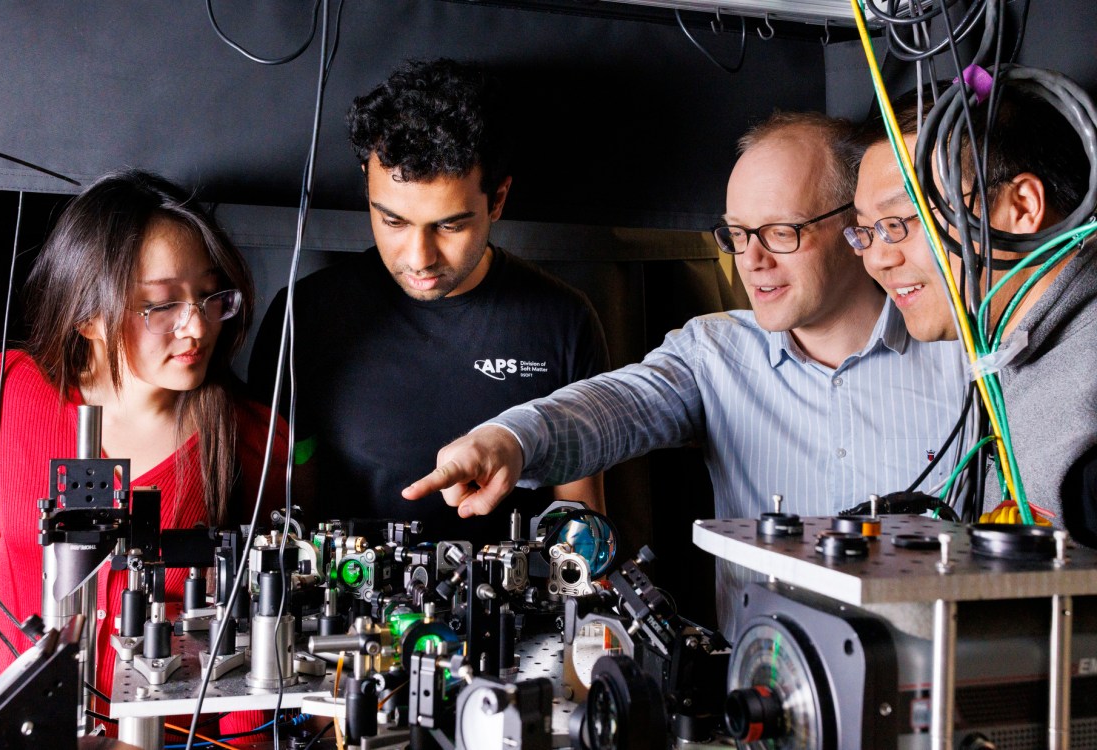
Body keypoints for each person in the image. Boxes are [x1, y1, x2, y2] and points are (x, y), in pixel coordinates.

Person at [404, 111, 969, 634]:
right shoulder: (715, 352)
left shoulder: (967, 364)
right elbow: (615, 406)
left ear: (856, 230)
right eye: (739, 234)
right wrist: (509, 439)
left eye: (781, 232)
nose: (753, 260)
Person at [0, 170, 288, 733]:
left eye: (208, 296)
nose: (197, 326)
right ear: (88, 315)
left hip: (162, 734)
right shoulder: (12, 387)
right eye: (162, 304)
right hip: (0, 717)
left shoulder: (255, 438)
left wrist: (239, 742)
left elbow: (259, 608)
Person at [248, 58, 609, 545]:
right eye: (393, 222)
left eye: (449, 225)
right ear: (367, 185)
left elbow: (581, 529)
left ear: (497, 199)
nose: (418, 258)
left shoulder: (564, 321)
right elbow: (282, 523)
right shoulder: (306, 316)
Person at [849, 80, 1097, 541]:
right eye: (865, 232)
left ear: (1020, 207)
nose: (878, 258)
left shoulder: (1085, 402)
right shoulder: (1009, 352)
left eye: (901, 223)